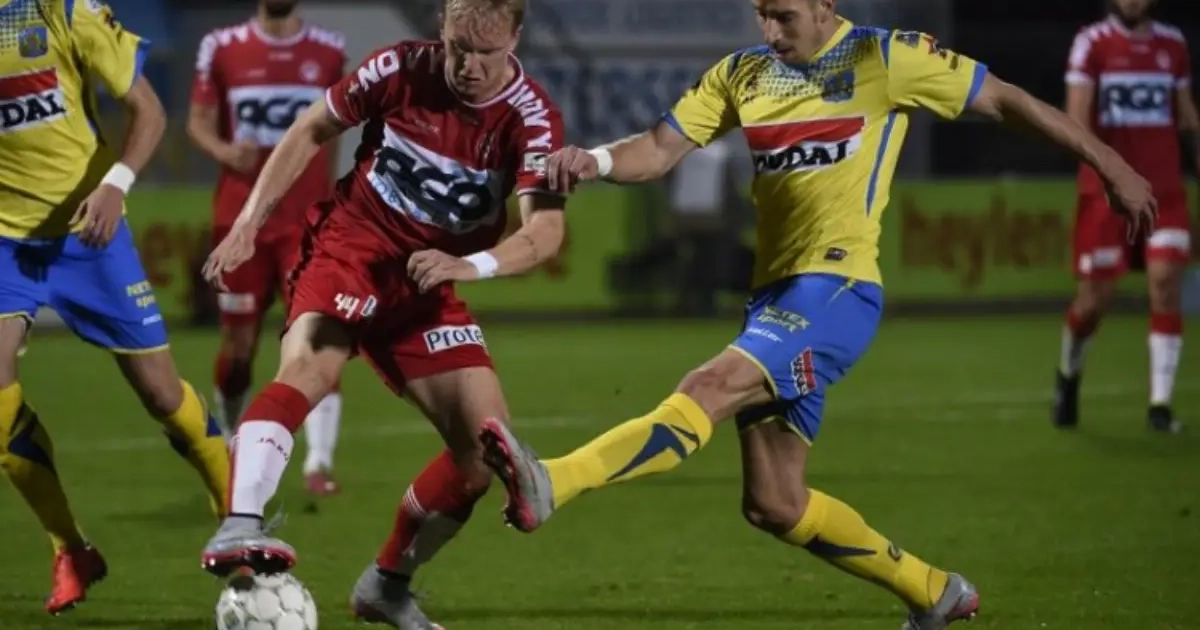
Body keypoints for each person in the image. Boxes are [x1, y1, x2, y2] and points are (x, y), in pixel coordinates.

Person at [477, 1, 1157, 629]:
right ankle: (934, 592)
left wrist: (1110, 164)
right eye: (762, 14)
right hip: (774, 300)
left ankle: (555, 480)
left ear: (826, 4)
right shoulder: (742, 73)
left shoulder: (884, 58)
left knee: (707, 387)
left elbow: (1006, 99)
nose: (772, 32)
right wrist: (594, 160)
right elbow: (657, 149)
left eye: (785, 15)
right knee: (774, 503)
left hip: (837, 290)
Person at [199, 0, 565, 627]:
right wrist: (248, 225)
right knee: (309, 369)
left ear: (516, 38)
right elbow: (310, 129)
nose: (468, 66)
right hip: (352, 249)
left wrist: (470, 266)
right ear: (441, 27)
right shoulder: (399, 69)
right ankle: (240, 523)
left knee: (480, 455)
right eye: (457, 47)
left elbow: (545, 232)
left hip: (428, 280)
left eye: (486, 52)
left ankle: (387, 586)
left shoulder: (531, 118)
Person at [0, 0, 230, 615]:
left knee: (161, 394)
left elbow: (149, 110)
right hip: (6, 244)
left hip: (88, 236)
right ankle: (70, 549)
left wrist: (114, 185)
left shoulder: (62, 12)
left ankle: (236, 517)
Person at [188, 0, 349, 497]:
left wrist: (332, 199)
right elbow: (198, 120)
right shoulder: (221, 46)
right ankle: (228, 442)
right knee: (239, 348)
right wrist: (223, 150)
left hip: (306, 225)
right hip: (242, 223)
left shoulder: (329, 50)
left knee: (317, 338)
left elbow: (334, 132)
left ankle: (319, 464)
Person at [1055, 0, 1193, 433]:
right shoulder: (1091, 43)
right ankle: (1068, 375)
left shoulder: (1173, 44)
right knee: (1093, 303)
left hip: (1164, 191)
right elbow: (1075, 122)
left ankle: (1160, 406)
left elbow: (1186, 117)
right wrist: (1107, 176)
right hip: (1106, 194)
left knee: (1165, 284)